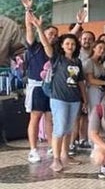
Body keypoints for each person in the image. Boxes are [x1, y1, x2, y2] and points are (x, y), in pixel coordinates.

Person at [31, 13, 87, 172]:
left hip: (74, 99)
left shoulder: (77, 62)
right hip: (59, 98)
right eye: (67, 44)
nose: (70, 46)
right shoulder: (56, 58)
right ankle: (56, 159)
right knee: (60, 128)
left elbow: (81, 82)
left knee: (69, 128)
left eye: (73, 44)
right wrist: (39, 28)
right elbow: (46, 45)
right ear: (62, 46)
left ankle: (65, 154)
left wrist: (85, 99)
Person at [21, 0, 57, 163]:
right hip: (36, 86)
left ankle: (51, 146)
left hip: (50, 87)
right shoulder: (34, 46)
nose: (52, 36)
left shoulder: (54, 51)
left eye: (54, 35)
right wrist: (28, 9)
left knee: (50, 117)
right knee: (35, 117)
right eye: (50, 33)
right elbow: (28, 28)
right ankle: (33, 150)